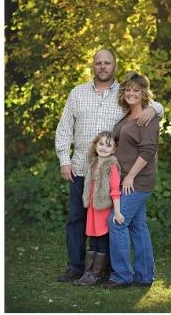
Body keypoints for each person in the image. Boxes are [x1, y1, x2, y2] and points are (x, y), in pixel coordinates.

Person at [55, 49, 162, 282]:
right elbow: (64, 129)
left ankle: (107, 270)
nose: (103, 67)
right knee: (77, 220)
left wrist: (155, 108)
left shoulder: (122, 95)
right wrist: (64, 160)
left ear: (114, 66)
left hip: (111, 174)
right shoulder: (78, 93)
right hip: (81, 169)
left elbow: (146, 104)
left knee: (107, 221)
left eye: (107, 63)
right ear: (93, 66)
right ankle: (76, 266)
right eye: (98, 63)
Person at [104, 73, 160, 289]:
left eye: (136, 90)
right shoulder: (127, 116)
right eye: (128, 89)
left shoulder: (147, 118)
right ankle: (145, 275)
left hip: (137, 181)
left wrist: (130, 176)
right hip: (126, 179)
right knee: (138, 226)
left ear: (144, 93)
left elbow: (148, 151)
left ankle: (122, 276)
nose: (131, 93)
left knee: (116, 221)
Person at [73, 131, 124, 286]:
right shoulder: (93, 163)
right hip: (93, 210)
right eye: (101, 144)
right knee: (93, 240)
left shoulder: (112, 166)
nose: (103, 148)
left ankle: (96, 276)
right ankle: (87, 274)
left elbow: (115, 191)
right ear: (95, 145)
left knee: (101, 240)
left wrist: (117, 211)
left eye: (108, 146)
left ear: (114, 150)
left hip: (104, 209)